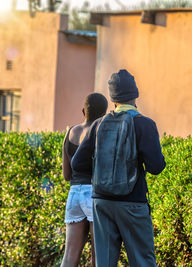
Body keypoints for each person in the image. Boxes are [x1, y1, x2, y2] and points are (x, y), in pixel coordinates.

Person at [71, 69, 166, 266]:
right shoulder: (144, 124)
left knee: (104, 263)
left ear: (113, 98)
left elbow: (77, 163)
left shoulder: (98, 125)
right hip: (132, 203)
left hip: (101, 202)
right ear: (135, 95)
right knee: (143, 261)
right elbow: (156, 167)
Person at [61, 93, 108, 267]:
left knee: (69, 256)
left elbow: (66, 175)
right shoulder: (101, 133)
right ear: (104, 115)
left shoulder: (70, 132)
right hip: (94, 195)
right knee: (98, 257)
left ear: (83, 111)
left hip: (74, 194)